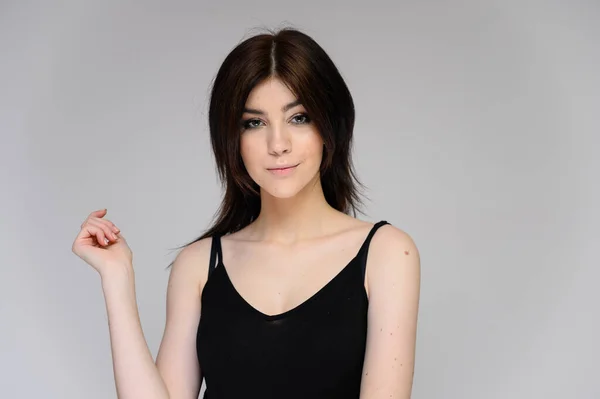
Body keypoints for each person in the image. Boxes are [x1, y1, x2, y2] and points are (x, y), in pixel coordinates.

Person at [72, 27, 421, 399]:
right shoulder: (199, 265)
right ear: (232, 140)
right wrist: (117, 278)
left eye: (298, 117)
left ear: (329, 126)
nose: (278, 144)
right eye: (254, 123)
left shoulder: (386, 254)